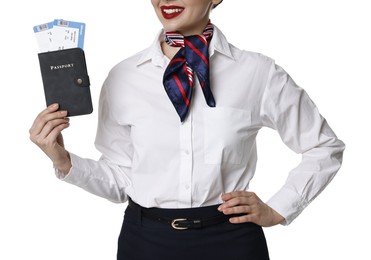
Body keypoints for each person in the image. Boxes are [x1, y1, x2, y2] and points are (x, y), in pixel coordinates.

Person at [29, 0, 345, 259]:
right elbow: (122, 180)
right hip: (146, 243)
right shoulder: (123, 77)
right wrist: (64, 161)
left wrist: (279, 208)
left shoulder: (257, 73)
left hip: (231, 241)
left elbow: (323, 147)